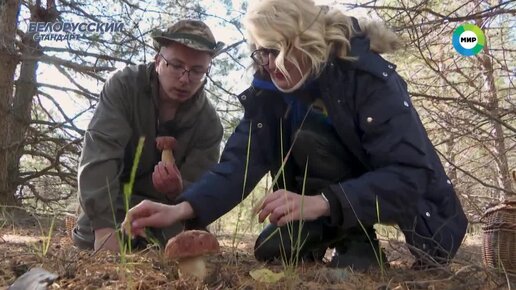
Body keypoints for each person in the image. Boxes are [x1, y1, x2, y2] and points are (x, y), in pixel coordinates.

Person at [123, 0, 468, 270]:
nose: (268, 63)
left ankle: (358, 238)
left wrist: (320, 203)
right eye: (260, 51)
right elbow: (240, 161)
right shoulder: (270, 90)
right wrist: (182, 208)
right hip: (322, 201)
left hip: (408, 208)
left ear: (304, 41)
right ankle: (322, 233)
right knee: (272, 249)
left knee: (310, 135)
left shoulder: (366, 76)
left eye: (275, 50)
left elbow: (410, 175)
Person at [72, 19, 225, 252]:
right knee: (87, 233)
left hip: (167, 213)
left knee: (192, 243)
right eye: (176, 65)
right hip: (118, 205)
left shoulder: (209, 123)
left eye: (197, 71)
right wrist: (104, 227)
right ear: (158, 61)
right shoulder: (123, 88)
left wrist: (178, 189)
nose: (185, 79)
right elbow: (99, 157)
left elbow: (200, 191)